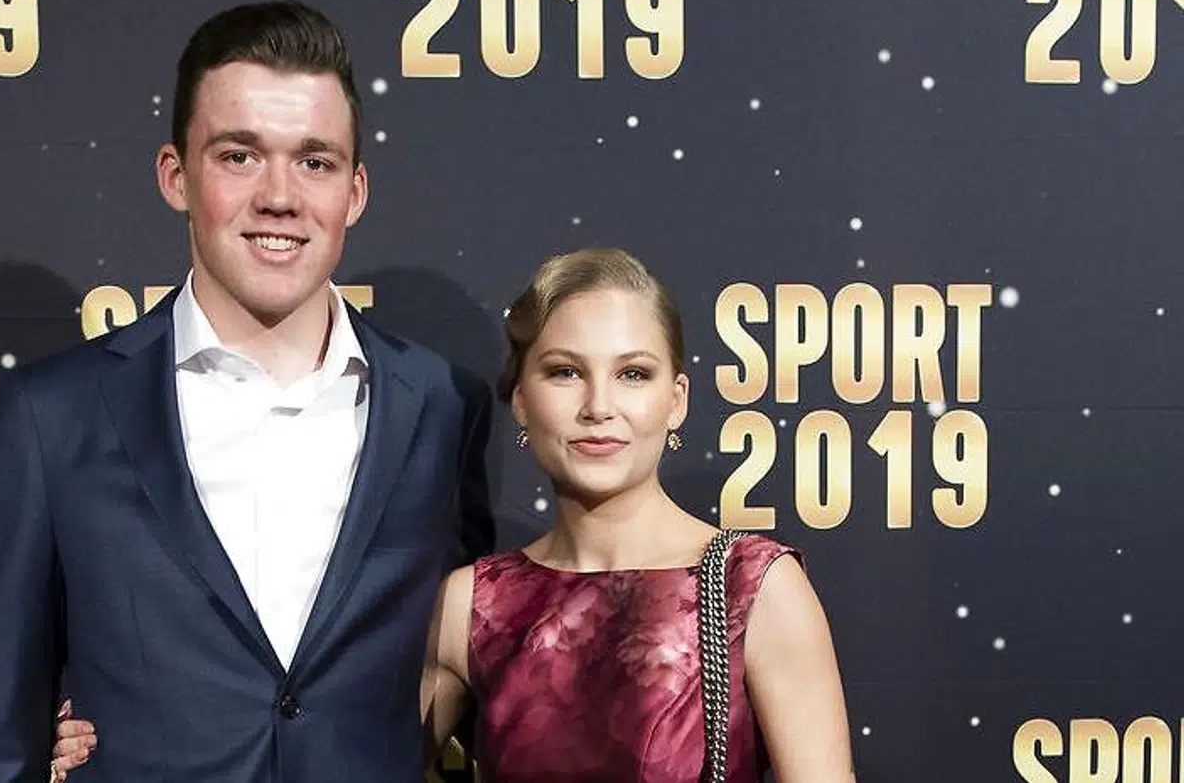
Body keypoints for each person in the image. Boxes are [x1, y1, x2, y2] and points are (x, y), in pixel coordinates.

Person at [0, 0, 494, 783]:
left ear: (355, 191)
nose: (280, 195)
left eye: (315, 161)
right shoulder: (53, 417)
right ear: (177, 175)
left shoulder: (442, 407)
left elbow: (482, 676)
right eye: (240, 155)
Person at [52, 248, 856, 782]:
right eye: (565, 371)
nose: (599, 406)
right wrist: (116, 744)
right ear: (520, 399)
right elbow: (315, 747)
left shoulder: (754, 588)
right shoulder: (474, 602)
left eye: (634, 373)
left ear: (676, 400)